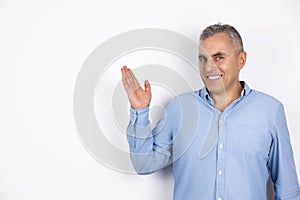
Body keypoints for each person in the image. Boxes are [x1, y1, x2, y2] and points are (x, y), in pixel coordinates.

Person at [120, 24, 300, 200]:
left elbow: (288, 189)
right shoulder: (179, 108)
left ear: (241, 60)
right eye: (203, 59)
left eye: (219, 57)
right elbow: (144, 164)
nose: (208, 68)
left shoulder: (270, 110)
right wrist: (140, 111)